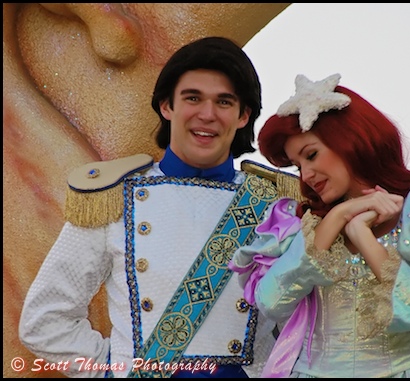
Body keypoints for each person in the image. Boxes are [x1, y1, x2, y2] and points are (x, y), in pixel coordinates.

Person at [18, 36, 297, 378]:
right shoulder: (113, 198)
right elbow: (44, 319)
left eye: (224, 102)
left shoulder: (277, 205)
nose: (207, 114)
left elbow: (310, 321)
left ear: (243, 116)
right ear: (167, 106)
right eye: (193, 98)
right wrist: (111, 371)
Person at [229, 73, 410, 378]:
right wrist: (336, 219)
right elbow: (271, 301)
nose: (307, 174)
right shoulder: (300, 224)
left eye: (312, 155)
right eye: (298, 165)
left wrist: (363, 236)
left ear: (349, 142)